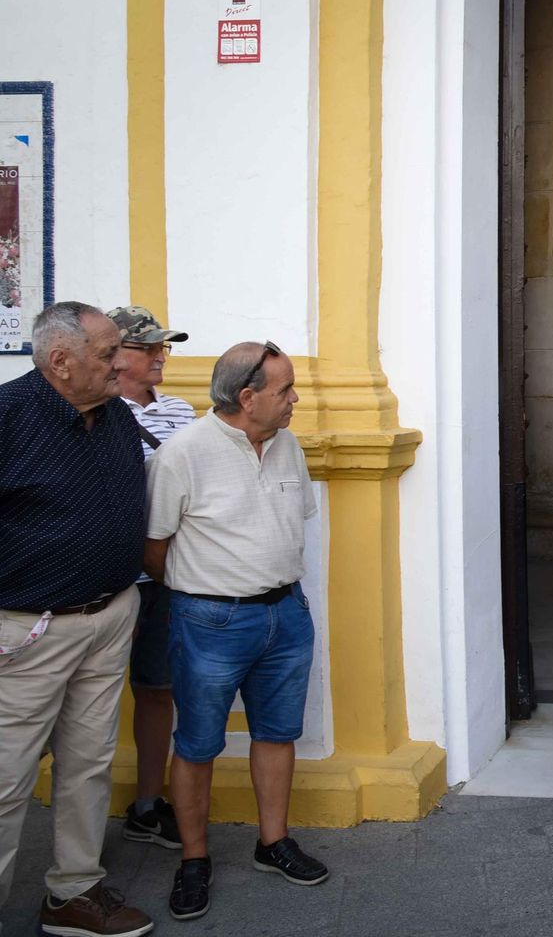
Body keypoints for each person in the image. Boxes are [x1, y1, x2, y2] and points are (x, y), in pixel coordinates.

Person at [145, 341, 328, 921]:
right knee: (198, 743)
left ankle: (272, 843)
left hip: (287, 615)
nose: (295, 397)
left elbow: (288, 523)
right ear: (248, 398)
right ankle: (193, 859)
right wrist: (204, 592)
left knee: (278, 733)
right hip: (209, 622)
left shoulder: (287, 444)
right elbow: (155, 547)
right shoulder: (183, 453)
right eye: (285, 390)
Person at [0, 303, 155, 937]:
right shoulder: (9, 417)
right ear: (60, 361)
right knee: (6, 780)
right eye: (105, 354)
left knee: (89, 763)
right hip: (28, 628)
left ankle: (73, 893)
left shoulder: (114, 410)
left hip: (110, 614)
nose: (120, 363)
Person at [106, 305, 195, 851]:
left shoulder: (181, 411)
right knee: (88, 695)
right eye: (148, 348)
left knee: (157, 688)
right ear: (114, 356)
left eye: (163, 346)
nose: (160, 355)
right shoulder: (94, 412)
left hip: (167, 571)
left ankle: (146, 803)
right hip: (116, 573)